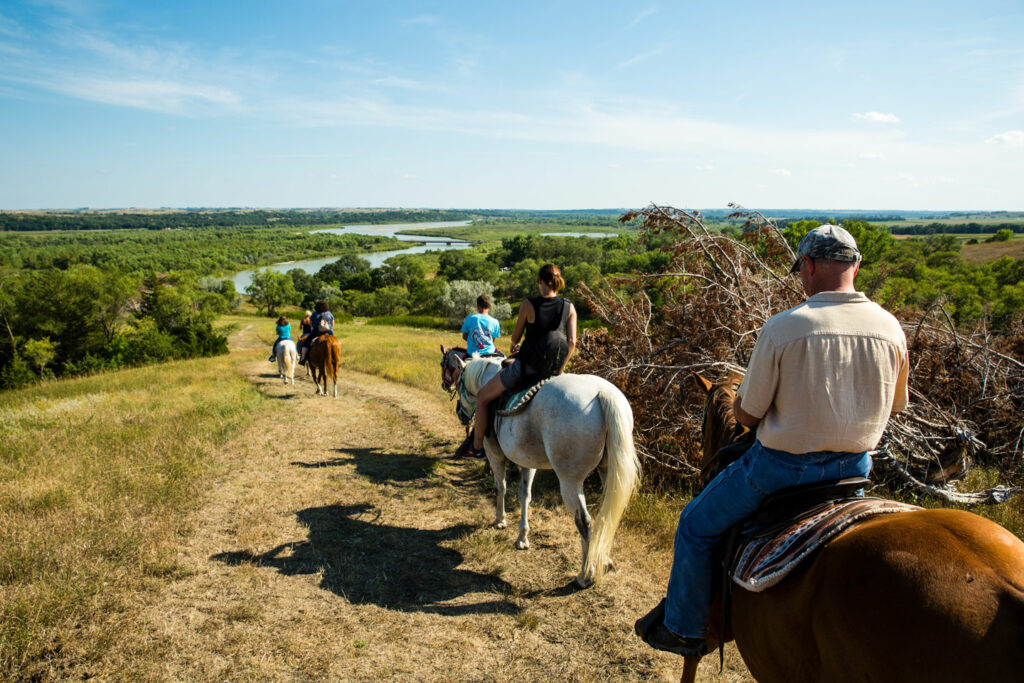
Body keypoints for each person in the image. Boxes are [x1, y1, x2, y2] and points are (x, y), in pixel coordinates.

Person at [635, 224, 909, 657]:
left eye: (802, 268)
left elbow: (745, 414)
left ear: (810, 265)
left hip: (780, 470)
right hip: (855, 469)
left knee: (694, 525)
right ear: (855, 265)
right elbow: (895, 406)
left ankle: (683, 627)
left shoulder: (785, 328)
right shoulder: (890, 328)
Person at [462, 264, 578, 460]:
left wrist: (514, 345)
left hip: (527, 368)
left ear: (539, 281)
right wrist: (560, 368)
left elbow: (515, 337)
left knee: (482, 397)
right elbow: (572, 342)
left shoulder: (528, 304)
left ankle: (477, 447)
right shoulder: (569, 307)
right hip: (554, 369)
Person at [298, 301, 334, 365]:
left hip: (317, 333)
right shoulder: (330, 314)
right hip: (329, 332)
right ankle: (335, 358)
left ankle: (303, 359)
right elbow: (332, 324)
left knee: (305, 344)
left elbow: (311, 324)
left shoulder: (314, 314)